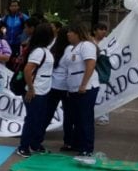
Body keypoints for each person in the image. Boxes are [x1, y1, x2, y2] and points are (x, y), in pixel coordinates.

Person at [17, 24, 56, 157]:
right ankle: (23, 146)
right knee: (33, 119)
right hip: (36, 91)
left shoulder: (44, 50)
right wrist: (31, 89)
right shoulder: (39, 52)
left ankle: (35, 144)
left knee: (40, 119)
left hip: (43, 90)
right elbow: (28, 70)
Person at [63, 23, 100, 157]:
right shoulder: (72, 48)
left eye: (70, 32)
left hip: (86, 88)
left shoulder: (86, 46)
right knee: (77, 118)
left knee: (85, 118)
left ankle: (87, 147)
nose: (68, 34)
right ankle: (77, 143)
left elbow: (90, 64)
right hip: (73, 88)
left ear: (77, 33)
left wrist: (84, 84)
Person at [44, 28, 75, 152]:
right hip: (66, 86)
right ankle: (68, 142)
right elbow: (71, 67)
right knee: (68, 115)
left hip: (53, 85)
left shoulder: (53, 48)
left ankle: (38, 137)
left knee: (48, 113)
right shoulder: (70, 49)